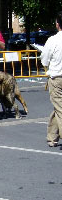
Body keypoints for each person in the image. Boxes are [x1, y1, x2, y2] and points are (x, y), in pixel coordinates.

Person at [40, 11, 62, 148]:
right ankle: (52, 138)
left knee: (60, 108)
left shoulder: (52, 40)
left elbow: (44, 59)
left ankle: (53, 138)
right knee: (58, 107)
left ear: (57, 24)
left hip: (57, 77)